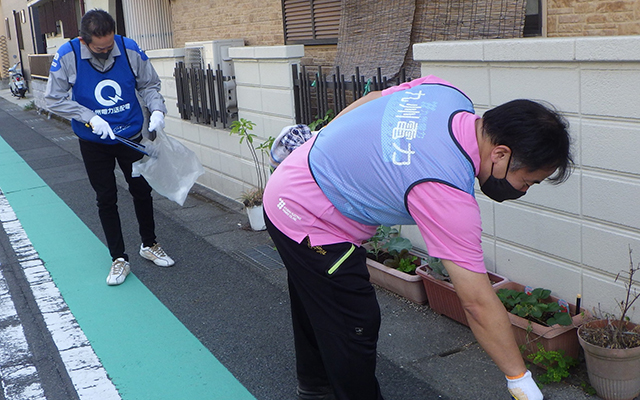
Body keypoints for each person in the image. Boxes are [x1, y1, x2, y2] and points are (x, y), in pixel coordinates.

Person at [263, 75, 572, 400]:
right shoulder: (444, 188)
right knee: (353, 320)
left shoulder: (447, 94)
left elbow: (376, 98)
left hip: (295, 180)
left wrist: (320, 140)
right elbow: (477, 302)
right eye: (528, 181)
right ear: (500, 154)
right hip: (305, 216)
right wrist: (519, 379)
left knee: (318, 298)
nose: (523, 190)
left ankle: (316, 388)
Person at [45, 9, 174, 286]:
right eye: (99, 48)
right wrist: (88, 116)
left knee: (142, 190)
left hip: (130, 136)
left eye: (109, 45)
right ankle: (119, 258)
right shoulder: (68, 55)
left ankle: (149, 244)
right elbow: (53, 98)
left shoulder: (128, 49)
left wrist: (157, 109)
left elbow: (149, 84)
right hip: (95, 142)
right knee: (106, 197)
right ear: (84, 41)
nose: (106, 52)